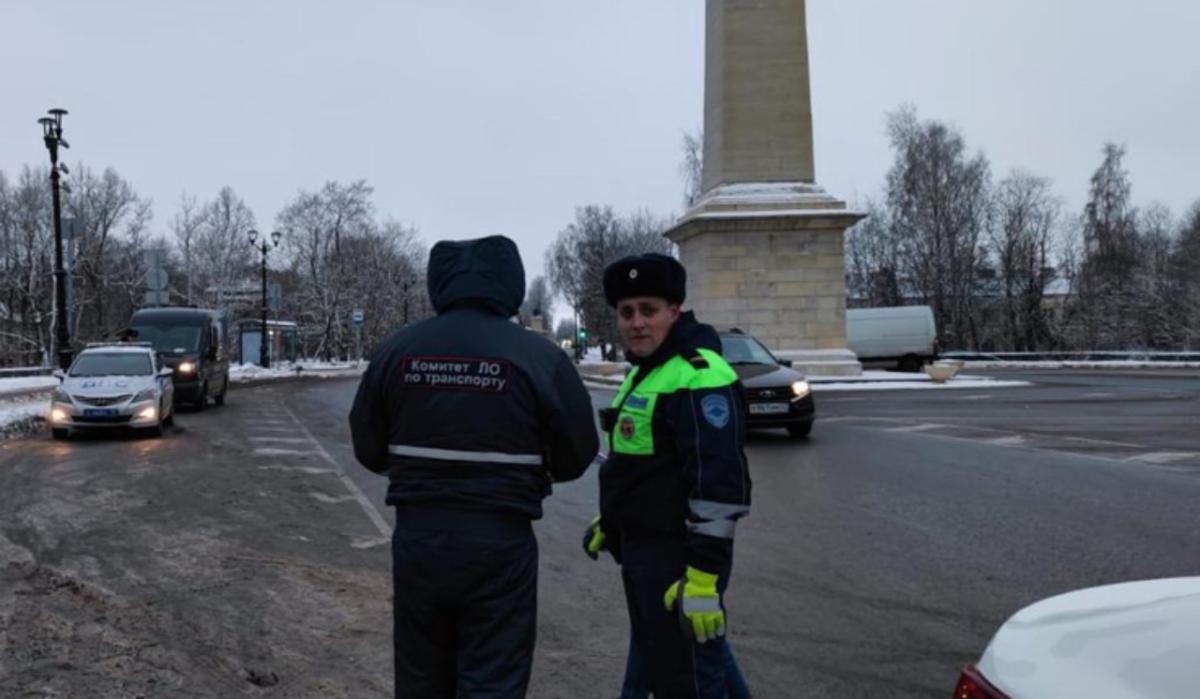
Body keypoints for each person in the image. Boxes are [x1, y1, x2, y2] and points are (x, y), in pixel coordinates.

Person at [351, 235, 599, 699]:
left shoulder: (397, 349)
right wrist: (538, 468)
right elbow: (578, 451)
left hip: (419, 539)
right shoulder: (539, 356)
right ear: (510, 282)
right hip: (500, 543)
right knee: (494, 675)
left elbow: (368, 445)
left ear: (438, 282)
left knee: (421, 672)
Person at [582, 253, 752, 699]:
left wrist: (703, 576)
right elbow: (641, 466)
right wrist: (613, 520)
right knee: (677, 661)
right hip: (644, 554)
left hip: (679, 557)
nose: (636, 323)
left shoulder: (698, 375)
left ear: (674, 311)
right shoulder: (646, 372)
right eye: (626, 312)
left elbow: (718, 486)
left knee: (690, 679)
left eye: (648, 310)